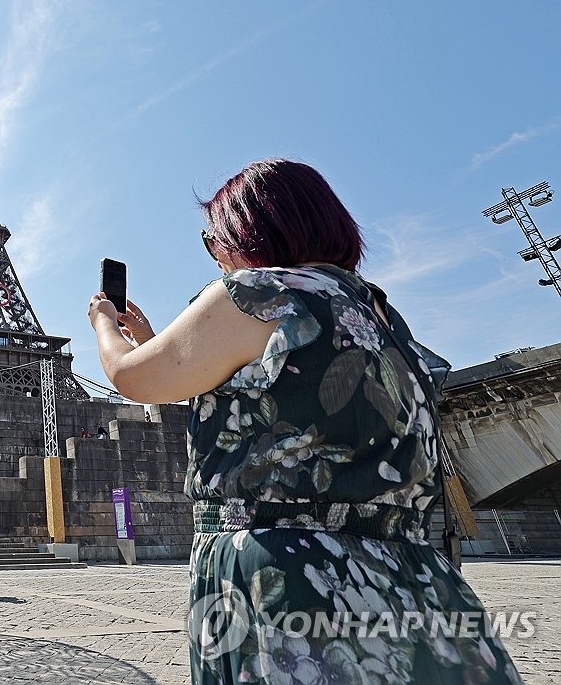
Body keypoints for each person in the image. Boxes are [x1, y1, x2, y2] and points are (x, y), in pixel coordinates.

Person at [88, 159, 522, 683]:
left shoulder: (254, 292)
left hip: (295, 575)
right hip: (414, 577)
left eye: (213, 240)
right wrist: (160, 341)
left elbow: (131, 379)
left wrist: (104, 326)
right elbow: (280, 394)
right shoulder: (379, 313)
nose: (216, 256)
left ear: (248, 231)